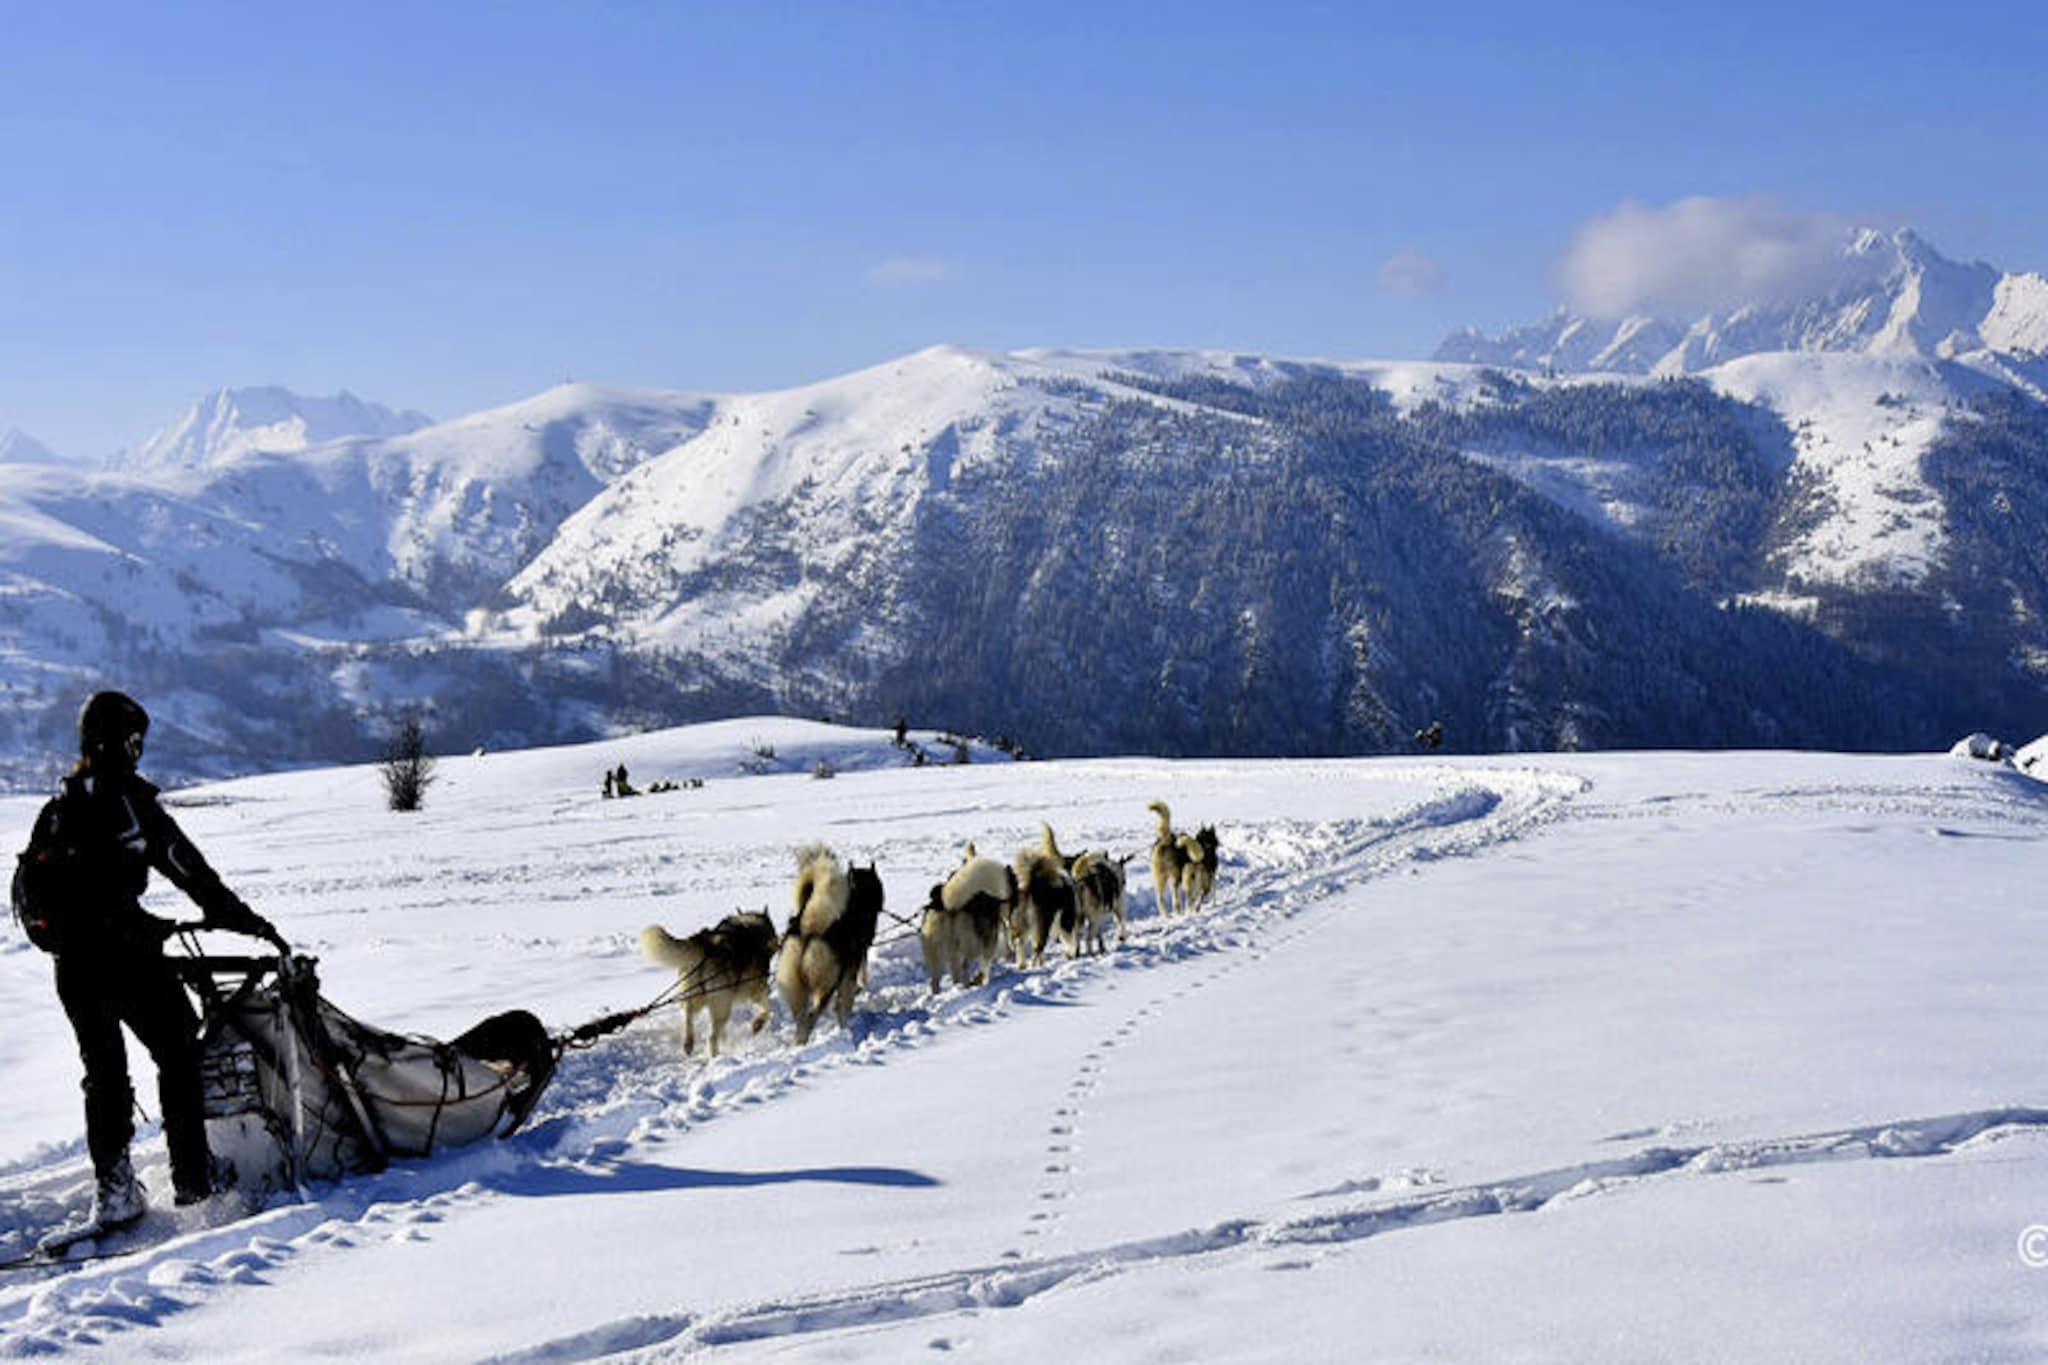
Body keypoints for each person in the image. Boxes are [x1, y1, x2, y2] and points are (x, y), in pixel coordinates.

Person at [42, 691, 285, 1228]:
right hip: (126, 956)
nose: (139, 751)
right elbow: (192, 872)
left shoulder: (60, 807)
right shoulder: (129, 803)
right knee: (177, 1049)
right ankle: (194, 1178)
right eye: (136, 741)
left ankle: (115, 1190)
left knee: (103, 1073)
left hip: (71, 965)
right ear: (123, 741)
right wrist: (248, 923)